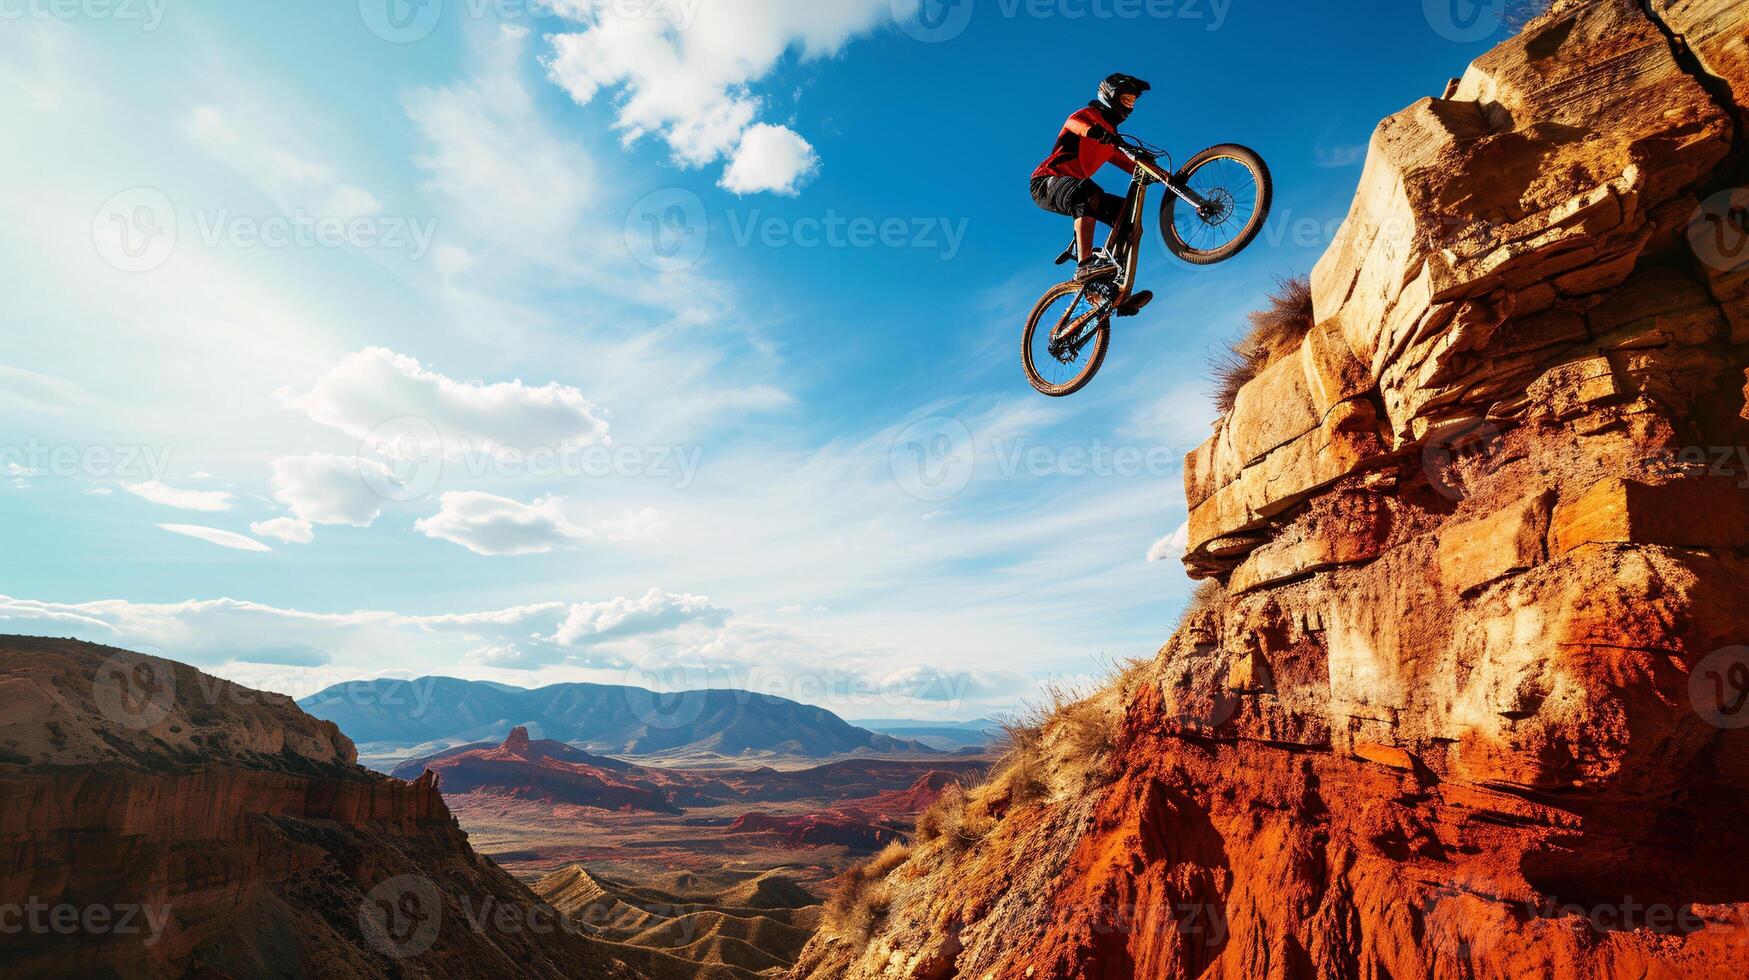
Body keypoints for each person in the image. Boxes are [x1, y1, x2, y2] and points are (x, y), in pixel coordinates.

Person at [1030, 73, 1152, 283]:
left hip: (1074, 185)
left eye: (1132, 102)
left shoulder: (1112, 139)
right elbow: (1073, 123)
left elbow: (1130, 165)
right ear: (1110, 96)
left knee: (1127, 217)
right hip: (1046, 181)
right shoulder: (1091, 115)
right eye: (1126, 100)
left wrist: (1157, 173)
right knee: (1088, 193)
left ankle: (1114, 286)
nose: (1129, 107)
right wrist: (1092, 131)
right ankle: (1084, 265)